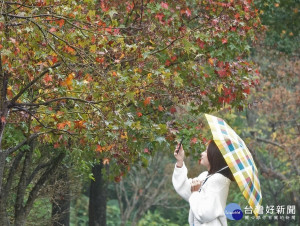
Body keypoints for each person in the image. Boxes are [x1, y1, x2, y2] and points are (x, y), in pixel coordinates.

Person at [172, 140, 235, 226]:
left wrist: (195, 193)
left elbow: (205, 214)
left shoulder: (219, 180)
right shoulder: (205, 176)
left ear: (214, 156)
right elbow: (185, 189)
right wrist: (180, 161)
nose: (202, 153)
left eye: (206, 151)